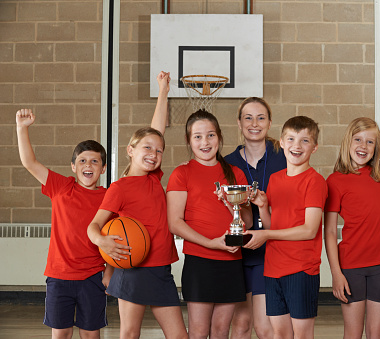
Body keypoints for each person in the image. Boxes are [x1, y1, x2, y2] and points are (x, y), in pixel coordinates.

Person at [87, 71, 188, 339]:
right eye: (146, 148)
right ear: (131, 150)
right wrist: (103, 243)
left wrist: (163, 91)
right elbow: (94, 226)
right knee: (130, 333)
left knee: (179, 335)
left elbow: (157, 131)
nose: (153, 154)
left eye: (158, 151)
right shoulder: (119, 188)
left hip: (161, 269)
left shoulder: (155, 178)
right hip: (132, 269)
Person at [16, 108, 109, 339]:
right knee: (61, 334)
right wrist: (22, 128)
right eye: (83, 160)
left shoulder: (109, 197)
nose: (88, 165)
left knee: (91, 334)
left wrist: (110, 272)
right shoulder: (61, 186)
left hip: (93, 276)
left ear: (103, 168)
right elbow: (30, 162)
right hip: (59, 276)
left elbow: (117, 237)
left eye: (95, 161)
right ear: (73, 167)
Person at [323, 117, 380, 339]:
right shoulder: (335, 181)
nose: (363, 146)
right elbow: (330, 232)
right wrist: (336, 273)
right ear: (348, 142)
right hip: (351, 266)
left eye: (370, 142)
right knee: (353, 333)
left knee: (376, 333)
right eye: (358, 139)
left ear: (376, 148)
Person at [166, 109, 253, 339]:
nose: (205, 142)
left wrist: (227, 203)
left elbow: (247, 221)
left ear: (220, 137)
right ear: (189, 141)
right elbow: (174, 223)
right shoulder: (181, 173)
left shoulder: (235, 174)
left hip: (231, 260)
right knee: (198, 331)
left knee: (221, 330)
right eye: (197, 136)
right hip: (199, 262)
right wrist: (211, 243)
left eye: (211, 135)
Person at [243, 115, 328, 339]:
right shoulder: (275, 178)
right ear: (281, 142)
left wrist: (266, 234)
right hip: (272, 269)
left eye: (304, 141)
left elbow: (309, 229)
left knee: (301, 334)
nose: (296, 146)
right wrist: (262, 207)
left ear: (315, 147)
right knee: (280, 334)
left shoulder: (315, 181)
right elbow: (272, 225)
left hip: (301, 269)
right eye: (290, 139)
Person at [225, 97, 286, 339]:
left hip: (270, 252)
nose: (254, 123)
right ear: (239, 123)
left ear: (269, 123)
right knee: (240, 325)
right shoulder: (228, 163)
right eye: (248, 118)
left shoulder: (283, 156)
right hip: (238, 253)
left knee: (264, 327)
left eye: (261, 117)